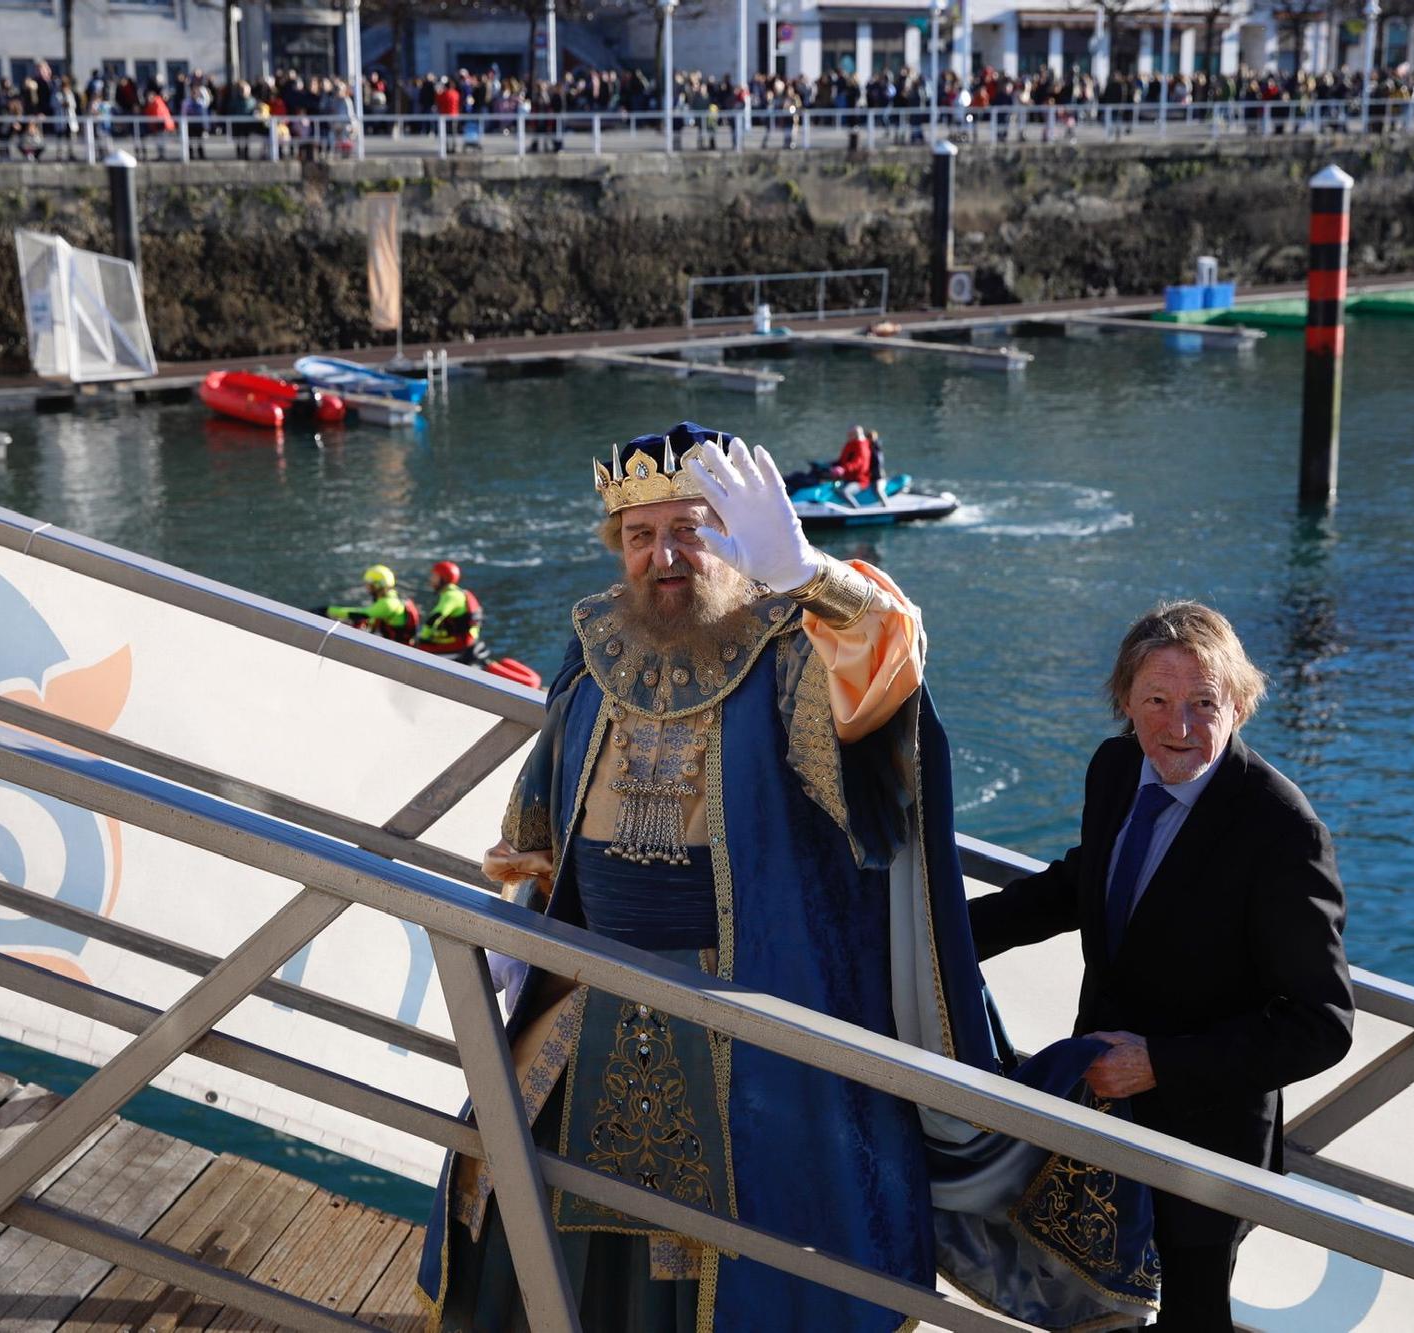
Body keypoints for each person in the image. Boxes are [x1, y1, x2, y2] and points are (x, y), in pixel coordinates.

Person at [415, 422, 1009, 1332]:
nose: (665, 556)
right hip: (584, 984)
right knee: (516, 1204)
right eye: (643, 536)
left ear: (734, 535)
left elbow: (890, 664)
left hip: (748, 1006)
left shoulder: (793, 648)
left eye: (688, 530)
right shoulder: (592, 643)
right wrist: (521, 904)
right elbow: (540, 811)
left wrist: (810, 574)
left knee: (735, 1258)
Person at [968, 600, 1353, 1330]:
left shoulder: (1283, 830)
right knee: (1084, 1316)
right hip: (1095, 1127)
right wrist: (937, 938)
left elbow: (1322, 1024)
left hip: (1200, 1161)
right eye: (1158, 701)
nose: (1180, 728)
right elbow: (1077, 885)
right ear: (1125, 702)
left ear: (1239, 703)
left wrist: (1160, 1063)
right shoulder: (1115, 769)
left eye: (1205, 703)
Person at [415, 559, 486, 663]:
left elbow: (435, 617)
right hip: (468, 641)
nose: (431, 580)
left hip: (459, 644)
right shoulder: (458, 592)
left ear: (443, 579)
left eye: (434, 576)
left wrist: (423, 638)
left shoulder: (450, 596)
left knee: (418, 651)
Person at [327, 564, 420, 644]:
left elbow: (360, 614)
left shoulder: (387, 604)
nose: (367, 588)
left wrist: (327, 610)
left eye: (369, 585)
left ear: (377, 585)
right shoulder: (393, 598)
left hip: (397, 650)